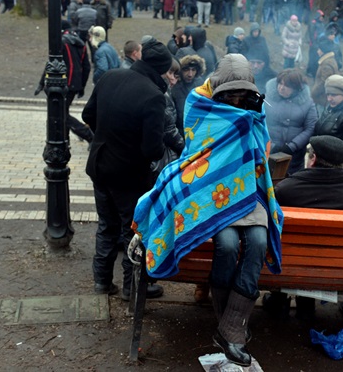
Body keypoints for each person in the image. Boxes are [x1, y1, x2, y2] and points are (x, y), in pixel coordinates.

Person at [131, 54, 283, 367]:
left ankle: (230, 329)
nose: (238, 99)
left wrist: (252, 118)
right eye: (232, 93)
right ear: (219, 86)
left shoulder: (255, 107)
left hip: (245, 189)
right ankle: (231, 329)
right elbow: (197, 146)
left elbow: (262, 147)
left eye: (243, 93)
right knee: (226, 245)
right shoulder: (198, 103)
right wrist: (241, 120)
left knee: (257, 242)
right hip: (213, 191)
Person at [82, 38, 173, 300]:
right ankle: (131, 288)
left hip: (100, 166)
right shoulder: (153, 96)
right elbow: (152, 150)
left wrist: (108, 135)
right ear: (161, 69)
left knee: (106, 225)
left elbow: (89, 115)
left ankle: (101, 280)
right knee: (133, 231)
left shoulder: (110, 77)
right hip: (129, 175)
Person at [270, 136, 343, 320]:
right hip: (340, 264)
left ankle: (278, 301)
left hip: (292, 263)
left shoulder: (287, 189)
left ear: (313, 158)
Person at [35, 20, 94, 146]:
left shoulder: (61, 42)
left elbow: (51, 64)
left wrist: (41, 83)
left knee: (60, 114)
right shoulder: (81, 43)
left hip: (63, 83)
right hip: (75, 83)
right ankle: (64, 140)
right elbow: (86, 67)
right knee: (63, 111)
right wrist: (82, 86)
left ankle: (88, 134)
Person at [265, 69, 317, 174]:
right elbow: (259, 122)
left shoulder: (307, 103)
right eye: (280, 83)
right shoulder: (267, 98)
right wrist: (272, 144)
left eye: (287, 86)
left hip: (294, 156)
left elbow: (311, 127)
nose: (281, 88)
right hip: (268, 150)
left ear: (296, 88)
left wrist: (292, 146)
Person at [171, 54, 206, 137]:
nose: (190, 74)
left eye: (193, 70)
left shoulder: (200, 85)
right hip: (179, 132)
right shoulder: (174, 86)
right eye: (186, 70)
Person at [311, 38, 340, 110]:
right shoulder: (330, 60)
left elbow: (324, 83)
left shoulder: (326, 64)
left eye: (319, 49)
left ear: (323, 51)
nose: (317, 51)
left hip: (322, 99)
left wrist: (313, 93)